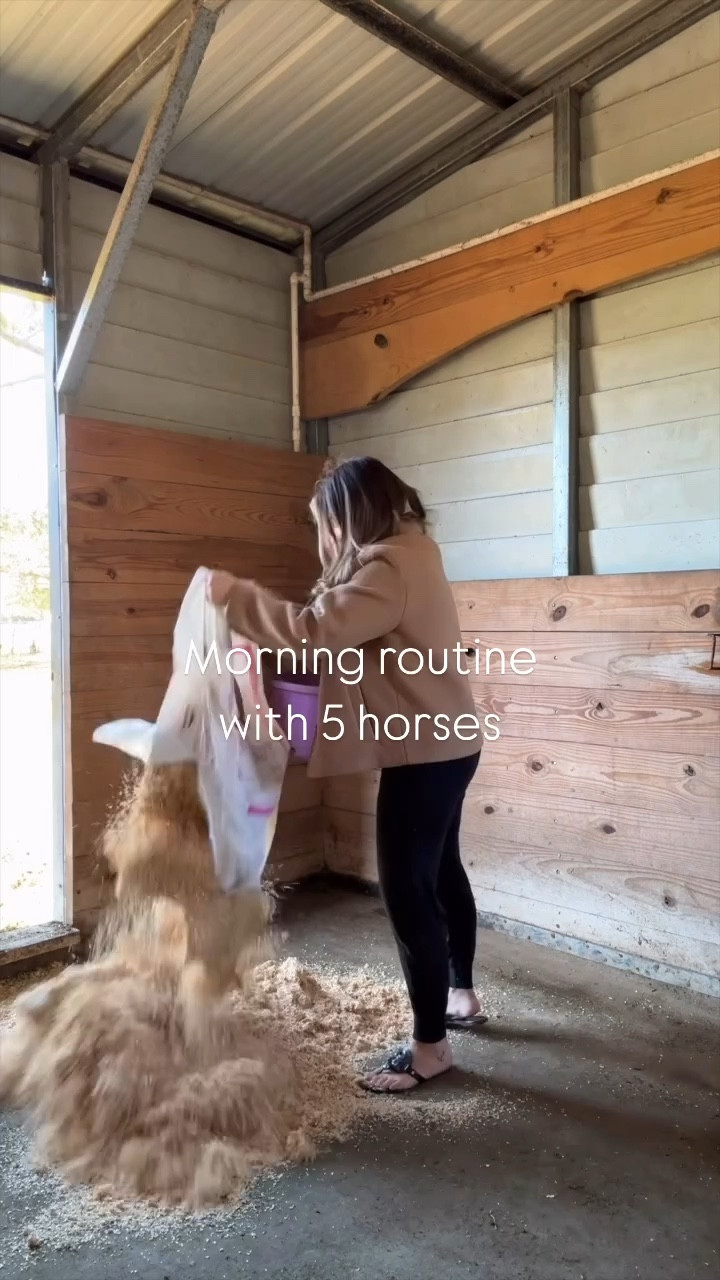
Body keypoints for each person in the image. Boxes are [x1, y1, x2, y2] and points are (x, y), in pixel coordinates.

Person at [208, 456, 486, 1094]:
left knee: (406, 890)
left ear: (347, 516)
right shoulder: (416, 551)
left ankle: (429, 1048)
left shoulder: (387, 567)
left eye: (324, 522)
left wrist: (236, 600)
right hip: (450, 743)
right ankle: (461, 995)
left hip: (424, 753)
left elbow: (315, 633)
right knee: (441, 871)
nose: (323, 537)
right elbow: (349, 626)